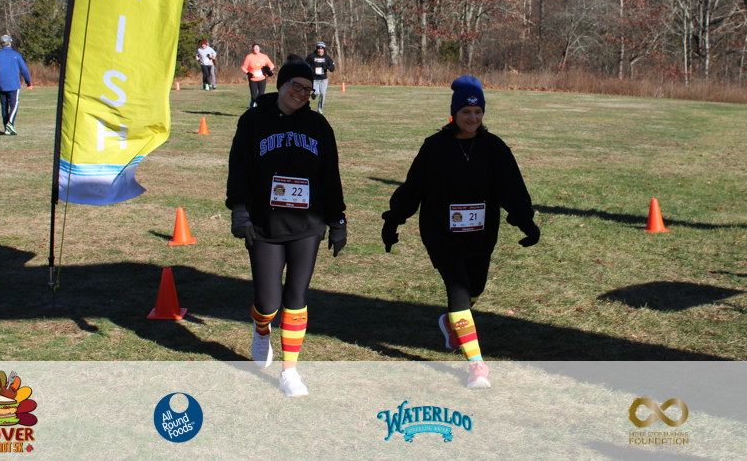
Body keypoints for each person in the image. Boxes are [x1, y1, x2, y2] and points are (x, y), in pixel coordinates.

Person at [381, 75, 539, 388]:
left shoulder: (494, 148)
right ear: (454, 114)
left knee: (475, 287)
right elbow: (413, 187)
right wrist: (394, 220)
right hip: (441, 232)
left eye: (478, 112)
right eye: (466, 112)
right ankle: (477, 366)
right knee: (459, 291)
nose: (473, 118)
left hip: (481, 234)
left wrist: (526, 221)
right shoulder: (435, 147)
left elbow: (512, 188)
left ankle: (451, 322)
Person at [226, 58, 347, 397]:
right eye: (296, 86)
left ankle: (289, 371)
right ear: (281, 84)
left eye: (308, 90)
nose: (302, 93)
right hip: (264, 224)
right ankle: (261, 328)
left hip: (308, 224)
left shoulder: (318, 126)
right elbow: (239, 168)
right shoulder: (253, 121)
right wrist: (239, 210)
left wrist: (337, 219)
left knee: (296, 297)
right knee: (268, 303)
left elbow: (330, 175)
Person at [0, 35, 33, 136]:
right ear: (10, 43)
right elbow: (24, 69)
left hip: (1, 85)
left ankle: (6, 128)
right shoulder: (16, 55)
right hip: (14, 84)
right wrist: (29, 82)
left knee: (4, 107)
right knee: (14, 105)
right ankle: (10, 124)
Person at [240, 43, 276, 108]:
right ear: (252, 49)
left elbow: (272, 65)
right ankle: (252, 105)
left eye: (257, 48)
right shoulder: (249, 57)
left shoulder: (264, 56)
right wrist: (248, 73)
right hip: (253, 79)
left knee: (261, 96)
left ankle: (259, 109)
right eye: (254, 48)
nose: (256, 49)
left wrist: (268, 69)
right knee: (254, 97)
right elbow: (243, 67)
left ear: (260, 49)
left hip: (262, 78)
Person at [305, 42, 335, 113]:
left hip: (323, 79)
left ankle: (320, 110)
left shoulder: (327, 58)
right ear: (316, 49)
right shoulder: (311, 56)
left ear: (324, 49)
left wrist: (327, 67)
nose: (320, 50)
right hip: (314, 79)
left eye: (321, 49)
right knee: (316, 93)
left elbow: (332, 68)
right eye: (318, 49)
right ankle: (313, 95)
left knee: (323, 94)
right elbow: (305, 63)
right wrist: (309, 68)